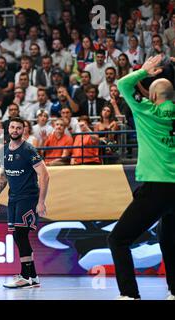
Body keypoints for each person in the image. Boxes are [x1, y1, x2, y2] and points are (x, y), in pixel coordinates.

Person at [108, 54, 175, 300]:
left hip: (157, 187)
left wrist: (144, 71)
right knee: (169, 240)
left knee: (118, 239)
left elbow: (123, 84)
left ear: (154, 97)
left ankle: (129, 295)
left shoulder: (147, 110)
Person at [0, 118, 49, 289]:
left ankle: (25, 276)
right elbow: (4, 174)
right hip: (13, 198)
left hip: (28, 198)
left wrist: (41, 202)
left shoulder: (28, 149)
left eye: (18, 128)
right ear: (8, 129)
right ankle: (33, 276)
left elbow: (44, 175)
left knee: (20, 235)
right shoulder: (5, 150)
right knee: (18, 235)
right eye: (12, 127)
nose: (15, 130)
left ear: (24, 130)